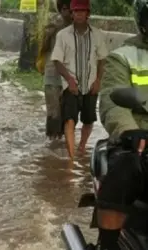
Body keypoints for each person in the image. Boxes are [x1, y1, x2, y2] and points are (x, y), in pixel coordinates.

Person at [97, 0, 148, 249]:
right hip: (139, 140)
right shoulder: (123, 57)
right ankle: (106, 244)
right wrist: (129, 130)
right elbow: (111, 100)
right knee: (125, 166)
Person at [51, 0, 107, 160]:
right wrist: (69, 80)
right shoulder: (63, 35)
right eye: (76, 11)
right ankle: (71, 159)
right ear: (72, 14)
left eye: (83, 11)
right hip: (71, 86)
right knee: (69, 120)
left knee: (89, 120)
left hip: (90, 84)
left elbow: (102, 59)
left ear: (88, 14)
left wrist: (98, 81)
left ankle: (82, 146)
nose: (79, 14)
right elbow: (57, 60)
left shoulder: (97, 35)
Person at [39, 0, 72, 141]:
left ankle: (60, 148)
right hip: (53, 75)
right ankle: (52, 147)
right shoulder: (54, 26)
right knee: (54, 113)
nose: (69, 13)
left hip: (69, 77)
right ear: (62, 9)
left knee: (67, 114)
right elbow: (44, 47)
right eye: (67, 9)